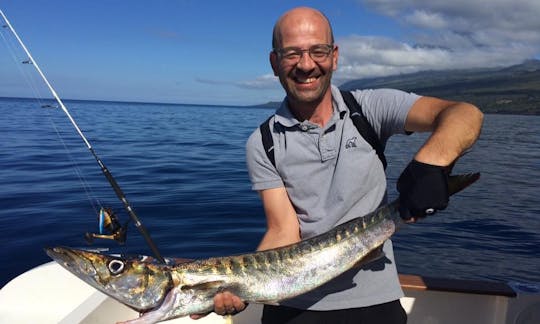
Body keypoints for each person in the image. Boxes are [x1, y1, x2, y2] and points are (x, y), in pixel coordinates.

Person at [193, 6, 483, 323]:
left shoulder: (368, 109)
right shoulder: (263, 142)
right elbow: (283, 229)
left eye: (317, 51)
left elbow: (464, 114)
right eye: (292, 54)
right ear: (275, 63)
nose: (306, 65)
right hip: (292, 304)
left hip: (375, 302)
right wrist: (239, 285)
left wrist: (432, 163)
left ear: (334, 56)